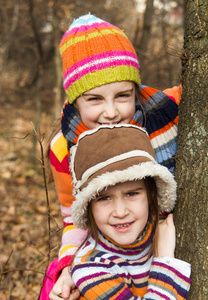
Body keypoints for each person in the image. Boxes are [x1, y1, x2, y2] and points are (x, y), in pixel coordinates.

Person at [41, 13, 182, 300]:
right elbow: (73, 216)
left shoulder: (165, 112)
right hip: (111, 261)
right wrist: (68, 267)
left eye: (122, 95)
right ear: (75, 100)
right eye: (94, 99)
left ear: (136, 91)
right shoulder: (64, 148)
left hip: (160, 241)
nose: (111, 112)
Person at [67, 124, 191, 299]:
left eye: (132, 194)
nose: (120, 212)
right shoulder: (91, 268)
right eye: (104, 198)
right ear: (88, 207)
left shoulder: (163, 228)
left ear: (150, 194)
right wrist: (165, 262)